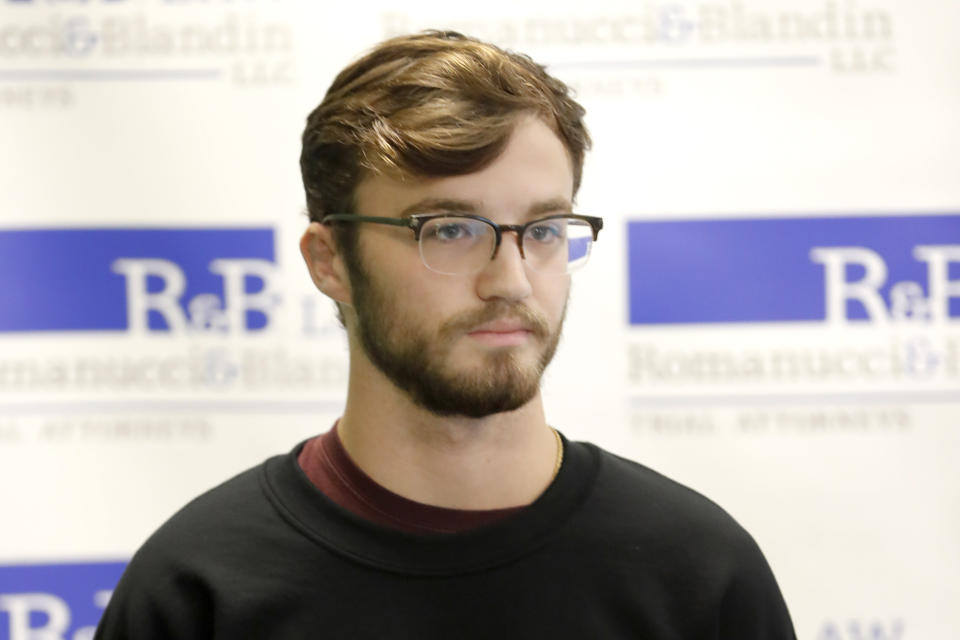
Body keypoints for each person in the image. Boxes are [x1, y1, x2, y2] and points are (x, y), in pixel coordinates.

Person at [95, 31, 796, 639]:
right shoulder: (198, 591)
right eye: (452, 230)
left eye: (545, 230)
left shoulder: (699, 573)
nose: (512, 280)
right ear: (330, 262)